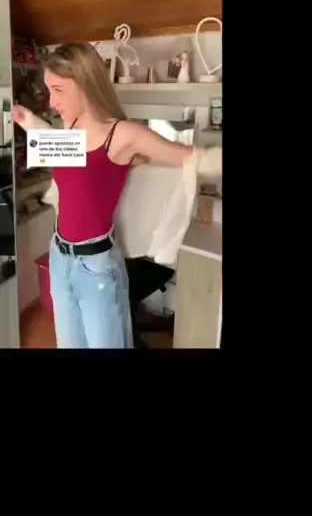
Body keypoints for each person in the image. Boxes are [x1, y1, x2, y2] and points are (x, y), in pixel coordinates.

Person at [12, 42, 221, 349]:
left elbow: (193, 157)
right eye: (48, 90)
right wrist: (27, 120)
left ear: (84, 84)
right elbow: (56, 150)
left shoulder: (121, 134)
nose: (51, 101)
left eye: (58, 90)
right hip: (59, 257)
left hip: (96, 268)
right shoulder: (70, 125)